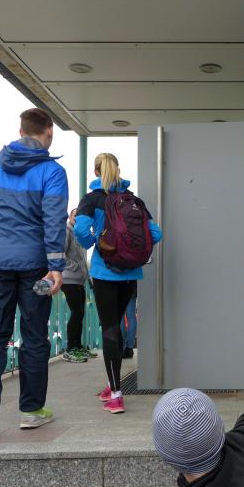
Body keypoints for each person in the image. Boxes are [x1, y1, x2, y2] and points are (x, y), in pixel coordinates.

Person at [0, 107, 68, 438]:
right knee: (34, 336)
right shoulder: (52, 172)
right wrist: (55, 266)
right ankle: (31, 411)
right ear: (49, 132)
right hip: (35, 267)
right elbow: (54, 219)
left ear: (20, 132)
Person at [74, 152, 161, 413]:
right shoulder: (133, 200)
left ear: (96, 172)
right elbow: (156, 233)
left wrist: (96, 243)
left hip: (105, 273)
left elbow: (80, 230)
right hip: (131, 274)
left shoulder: (92, 199)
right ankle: (112, 385)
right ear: (118, 170)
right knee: (118, 326)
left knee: (110, 328)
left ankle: (116, 393)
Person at [61, 208, 93, 363]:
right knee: (76, 312)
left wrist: (85, 274)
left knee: (80, 313)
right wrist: (74, 267)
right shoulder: (66, 231)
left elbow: (82, 259)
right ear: (70, 217)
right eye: (76, 216)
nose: (78, 219)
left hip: (79, 280)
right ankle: (70, 349)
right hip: (68, 279)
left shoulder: (79, 233)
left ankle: (78, 346)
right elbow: (60, 254)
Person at [120, 281, 137, 359]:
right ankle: (129, 348)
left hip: (119, 284)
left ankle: (122, 347)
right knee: (132, 317)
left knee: (120, 317)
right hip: (131, 284)